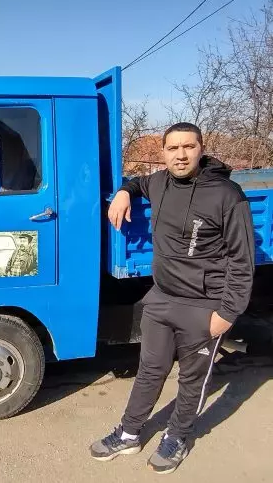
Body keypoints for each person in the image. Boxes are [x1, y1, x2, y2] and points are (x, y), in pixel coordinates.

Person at [89, 122, 254, 474]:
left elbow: (242, 261)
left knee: (192, 380)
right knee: (150, 370)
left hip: (203, 305)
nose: (180, 155)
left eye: (188, 147)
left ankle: (177, 436)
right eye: (173, 148)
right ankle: (129, 433)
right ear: (163, 153)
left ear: (201, 149)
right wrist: (124, 191)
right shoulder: (158, 182)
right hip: (161, 299)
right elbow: (137, 182)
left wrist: (227, 313)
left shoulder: (227, 195)